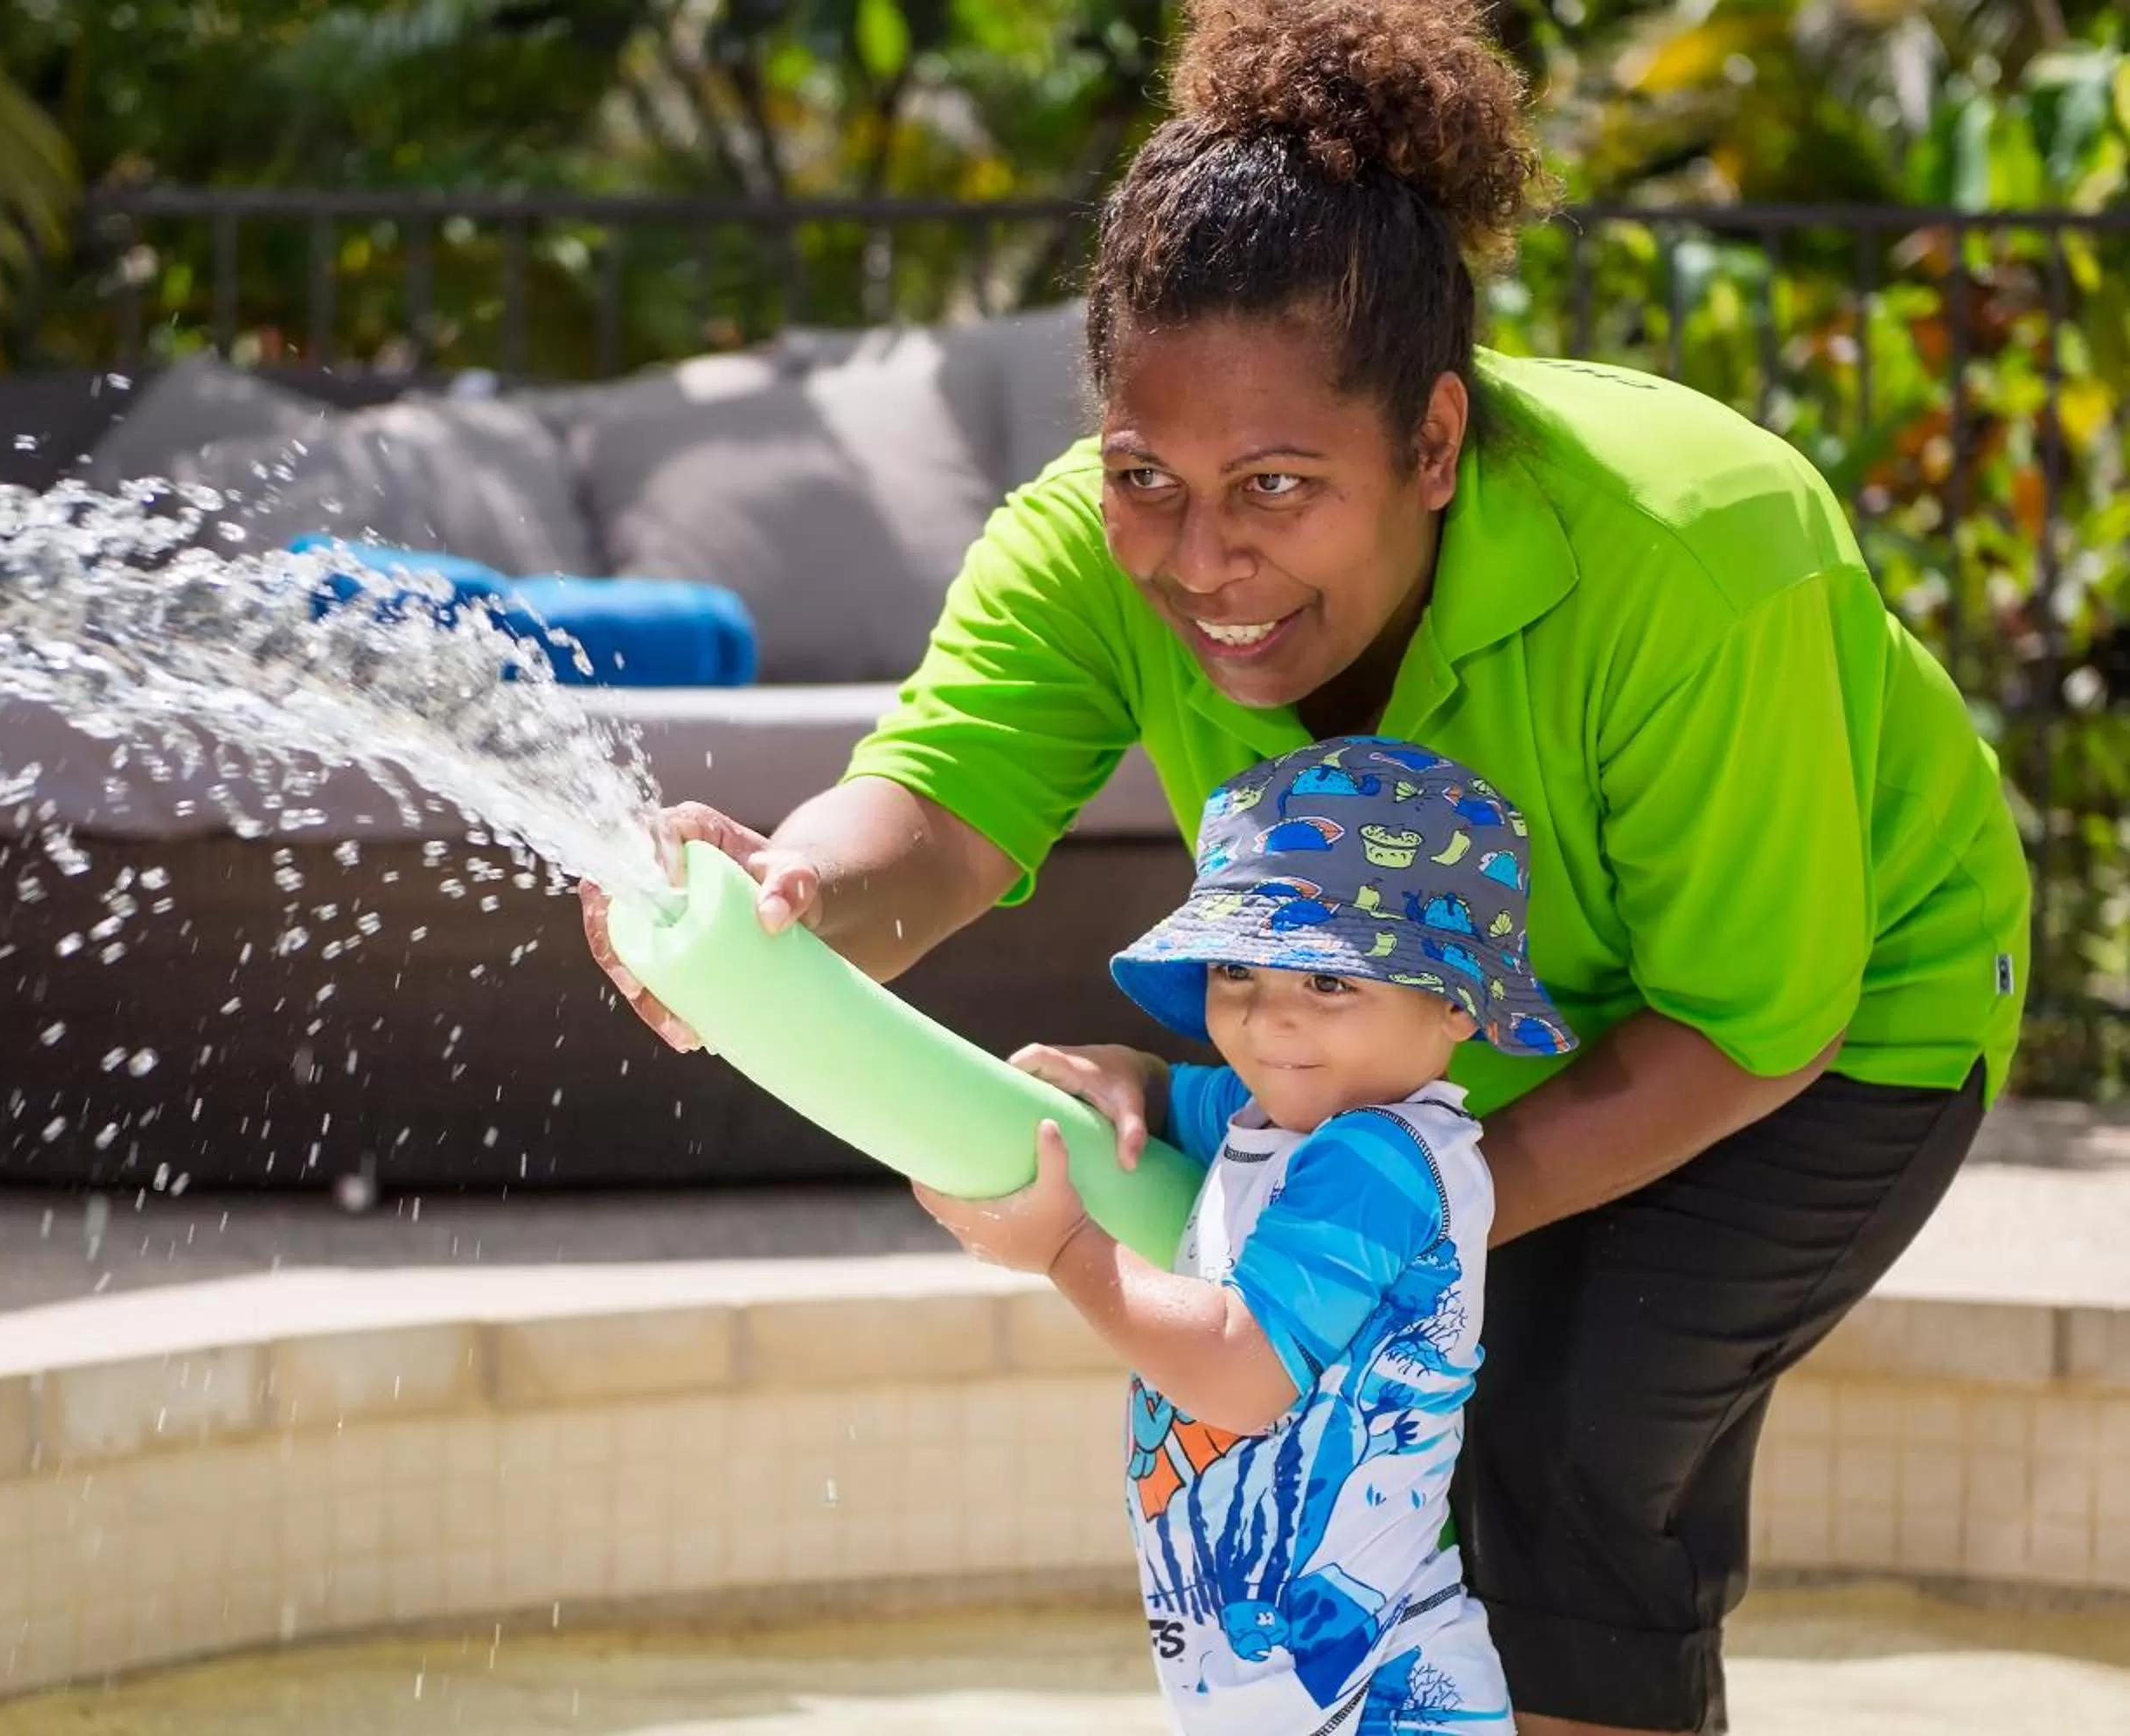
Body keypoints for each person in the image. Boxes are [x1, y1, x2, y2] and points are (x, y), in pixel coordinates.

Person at [583, 0, 2030, 1728]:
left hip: (1834, 1017)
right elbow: (942, 808)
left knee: (1561, 1443)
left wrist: (1373, 1209)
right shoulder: (1081, 548)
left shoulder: (1698, 557)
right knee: (1375, 1475)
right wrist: (787, 894)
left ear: (1430, 442)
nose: (1208, 559)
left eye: (1277, 482)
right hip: (1443, 1050)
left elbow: (1746, 1025)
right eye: (1149, 476)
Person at [917, 737, 1563, 1733]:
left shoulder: (1383, 1162)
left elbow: (1239, 1372)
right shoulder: (1277, 1114)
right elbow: (1175, 1093)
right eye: (1238, 972)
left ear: (1454, 1005)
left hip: (1383, 1694)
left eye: (1330, 984)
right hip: (1266, 1675)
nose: (1269, 1024)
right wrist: (1122, 1073)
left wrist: (1061, 1250)